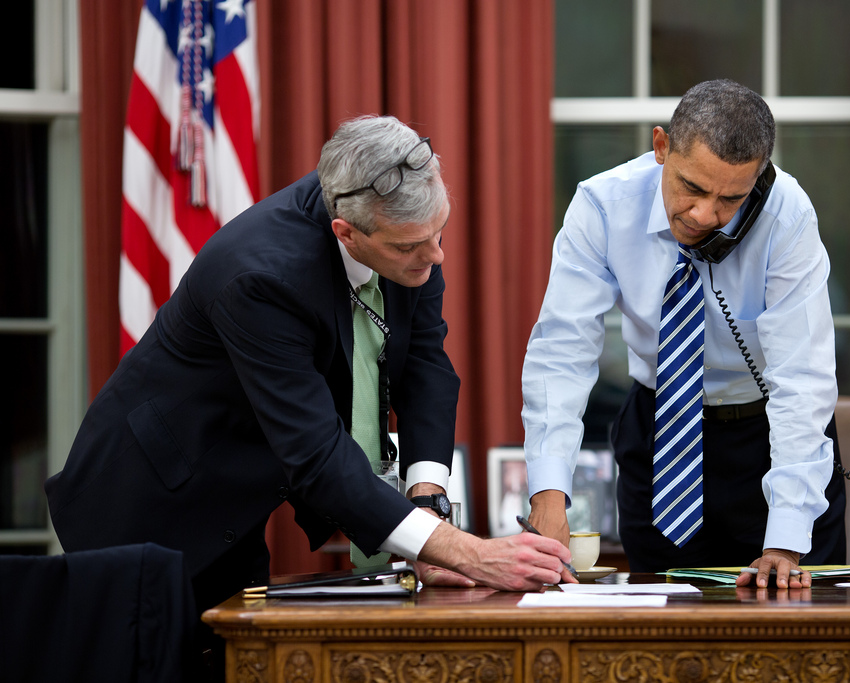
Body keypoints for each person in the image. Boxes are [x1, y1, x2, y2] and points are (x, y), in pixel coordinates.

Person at [46, 115, 572, 672]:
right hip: (146, 504)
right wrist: (469, 552)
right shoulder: (260, 274)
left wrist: (429, 505)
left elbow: (425, 366)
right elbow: (316, 454)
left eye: (439, 234)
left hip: (239, 499)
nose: (435, 257)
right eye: (415, 245)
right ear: (346, 231)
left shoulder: (407, 232)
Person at [521, 79, 846, 589]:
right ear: (661, 146)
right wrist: (548, 497)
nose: (705, 216)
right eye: (692, 188)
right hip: (659, 437)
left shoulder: (786, 214)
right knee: (661, 629)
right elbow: (561, 354)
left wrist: (784, 538)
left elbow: (801, 379)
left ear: (758, 181)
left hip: (768, 439)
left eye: (731, 199)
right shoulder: (604, 205)